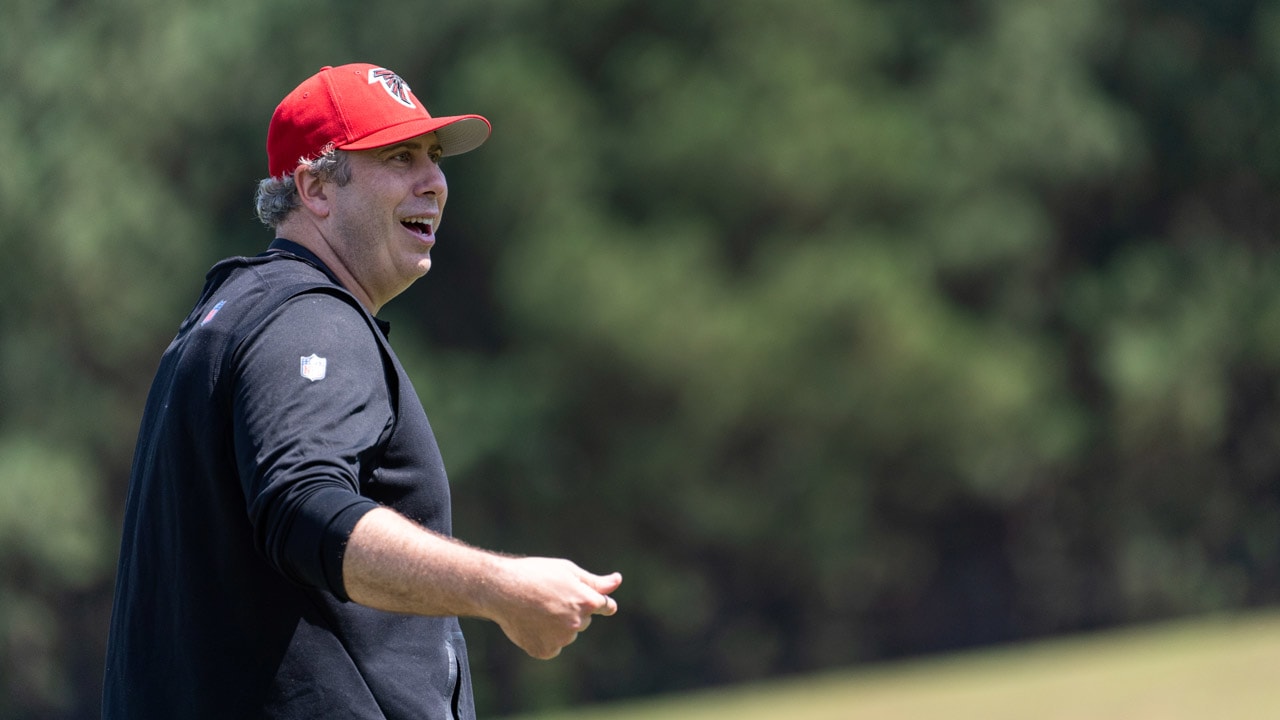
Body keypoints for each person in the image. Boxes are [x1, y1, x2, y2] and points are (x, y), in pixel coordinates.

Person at [103, 63, 622, 719]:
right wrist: (501, 587)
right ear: (316, 188)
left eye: (433, 157)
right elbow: (305, 509)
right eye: (400, 156)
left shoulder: (226, 316)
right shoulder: (309, 317)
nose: (433, 181)